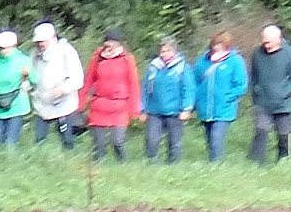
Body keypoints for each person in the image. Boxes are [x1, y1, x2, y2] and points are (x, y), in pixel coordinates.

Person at [247, 25, 291, 165]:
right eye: (264, 42)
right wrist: (255, 90)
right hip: (262, 101)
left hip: (283, 103)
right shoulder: (257, 54)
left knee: (284, 133)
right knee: (261, 129)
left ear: (279, 39)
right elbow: (253, 75)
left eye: (269, 42)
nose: (265, 45)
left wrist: (284, 93)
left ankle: (284, 159)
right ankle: (256, 161)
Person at [82, 30, 142, 162]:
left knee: (117, 141)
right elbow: (88, 80)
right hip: (99, 105)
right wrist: (80, 103)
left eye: (112, 44)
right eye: (107, 43)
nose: (109, 46)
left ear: (118, 44)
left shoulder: (127, 59)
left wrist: (135, 109)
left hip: (119, 106)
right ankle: (99, 166)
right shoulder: (97, 58)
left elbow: (134, 84)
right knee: (99, 144)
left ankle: (123, 165)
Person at [193, 32, 249, 162]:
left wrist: (227, 97)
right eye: (215, 44)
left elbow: (241, 85)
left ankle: (216, 165)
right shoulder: (203, 61)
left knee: (216, 138)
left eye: (220, 44)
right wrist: (196, 100)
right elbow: (194, 81)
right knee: (209, 139)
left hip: (224, 109)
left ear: (227, 46)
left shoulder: (235, 61)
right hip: (205, 108)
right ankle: (213, 162)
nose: (216, 47)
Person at [29, 22, 85, 150]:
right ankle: (40, 161)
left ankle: (69, 160)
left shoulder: (66, 51)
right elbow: (29, 75)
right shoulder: (34, 54)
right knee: (39, 138)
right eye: (38, 41)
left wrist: (63, 89)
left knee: (67, 139)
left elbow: (77, 77)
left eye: (43, 41)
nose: (40, 44)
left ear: (53, 37)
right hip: (41, 101)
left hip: (63, 103)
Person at [141, 37, 196, 163]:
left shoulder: (182, 68)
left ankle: (173, 166)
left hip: (175, 112)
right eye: (162, 51)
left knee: (174, 143)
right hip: (154, 111)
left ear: (174, 51)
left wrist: (187, 109)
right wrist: (143, 109)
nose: (163, 54)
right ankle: (152, 163)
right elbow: (145, 88)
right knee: (151, 140)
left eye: (167, 51)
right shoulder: (153, 67)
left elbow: (189, 89)